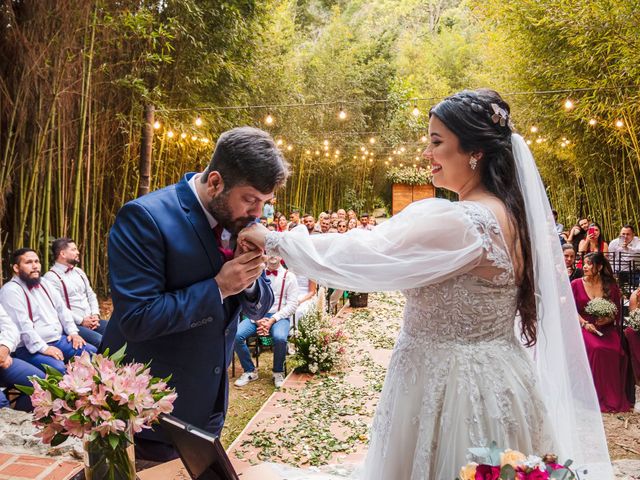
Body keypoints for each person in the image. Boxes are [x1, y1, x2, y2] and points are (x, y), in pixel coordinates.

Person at [239, 90, 611, 478]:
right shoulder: (513, 215)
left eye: (436, 142)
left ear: (475, 152)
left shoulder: (466, 221)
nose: (426, 154)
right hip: (501, 379)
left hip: (449, 389)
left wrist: (275, 241)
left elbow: (363, 251)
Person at [100, 126, 284, 462]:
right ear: (215, 182)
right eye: (250, 199)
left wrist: (250, 279)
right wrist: (219, 287)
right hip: (150, 412)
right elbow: (137, 318)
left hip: (209, 405)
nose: (258, 213)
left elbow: (261, 305)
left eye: (265, 202)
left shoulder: (239, 222)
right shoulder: (145, 218)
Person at [0, 249, 96, 374]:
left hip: (58, 339)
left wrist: (73, 332)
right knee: (58, 368)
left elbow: (62, 310)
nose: (35, 266)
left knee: (92, 353)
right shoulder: (11, 291)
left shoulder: (44, 283)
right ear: (16, 268)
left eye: (37, 261)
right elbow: (23, 327)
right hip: (28, 348)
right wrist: (44, 348)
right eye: (28, 262)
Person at [571, 253, 632, 412]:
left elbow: (615, 310)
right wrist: (584, 324)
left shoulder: (610, 285)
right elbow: (570, 309)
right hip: (583, 327)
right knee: (597, 349)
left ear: (599, 267)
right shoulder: (576, 284)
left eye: (589, 264)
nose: (584, 266)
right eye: (583, 263)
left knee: (614, 350)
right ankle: (594, 397)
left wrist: (607, 319)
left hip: (606, 328)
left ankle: (612, 396)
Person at [234, 254, 299, 388]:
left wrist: (273, 319)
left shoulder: (290, 276)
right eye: (270, 251)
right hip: (257, 316)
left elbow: (292, 304)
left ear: (282, 255)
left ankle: (278, 371)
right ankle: (250, 370)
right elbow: (246, 300)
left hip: (279, 316)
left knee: (280, 338)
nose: (273, 255)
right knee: (236, 335)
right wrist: (257, 318)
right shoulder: (256, 273)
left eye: (276, 251)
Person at [44, 238, 107, 348]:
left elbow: (91, 294)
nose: (77, 252)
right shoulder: (51, 278)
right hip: (73, 324)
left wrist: (95, 315)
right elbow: (58, 308)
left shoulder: (79, 272)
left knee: (116, 331)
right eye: (73, 249)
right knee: (99, 340)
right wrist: (82, 321)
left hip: (91, 320)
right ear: (62, 254)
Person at [0, 304, 45, 411]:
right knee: (1, 403)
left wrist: (4, 348)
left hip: (3, 359)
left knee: (41, 384)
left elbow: (10, 328)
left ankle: (18, 419)